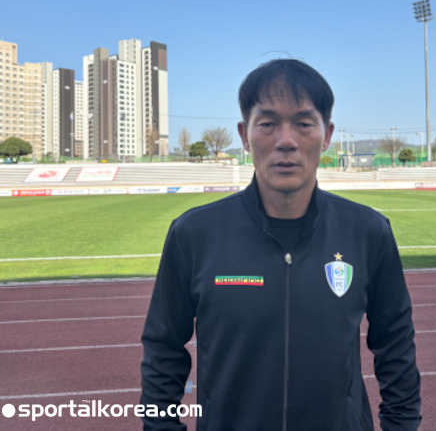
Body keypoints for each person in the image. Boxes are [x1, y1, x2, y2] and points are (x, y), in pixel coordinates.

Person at [140, 59, 421, 430]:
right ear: (244, 135)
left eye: (303, 124)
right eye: (268, 123)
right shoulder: (194, 234)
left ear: (327, 135)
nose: (286, 141)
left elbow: (395, 345)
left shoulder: (368, 232)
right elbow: (163, 349)